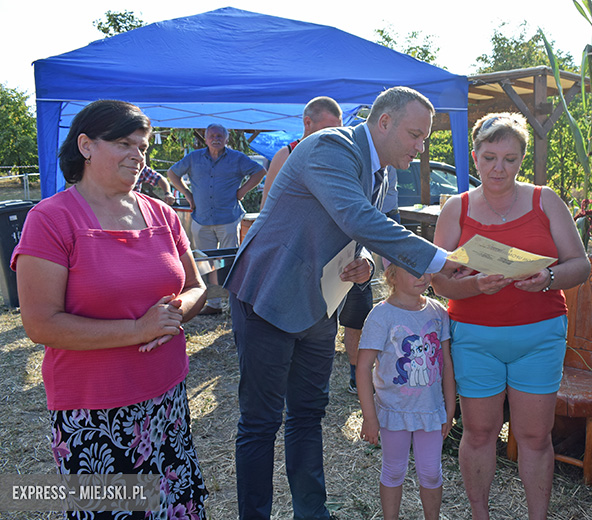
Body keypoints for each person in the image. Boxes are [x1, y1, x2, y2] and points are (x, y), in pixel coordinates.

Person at [223, 86, 461, 520]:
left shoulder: (380, 172)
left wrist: (365, 261)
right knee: (260, 422)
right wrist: (442, 260)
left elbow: (358, 231)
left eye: (424, 138)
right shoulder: (331, 146)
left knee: (307, 413)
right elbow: (356, 216)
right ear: (384, 122)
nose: (420, 147)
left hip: (317, 304)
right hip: (269, 295)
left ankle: (311, 512)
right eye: (415, 135)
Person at [12, 99, 209, 519]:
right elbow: (40, 324)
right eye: (124, 143)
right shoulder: (51, 220)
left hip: (167, 400)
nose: (138, 156)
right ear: (85, 145)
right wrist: (138, 329)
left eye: (143, 147)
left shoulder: (162, 214)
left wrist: (173, 315)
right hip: (95, 410)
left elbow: (196, 287)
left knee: (174, 507)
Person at [431, 112, 590, 520]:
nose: (498, 168)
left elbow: (580, 266)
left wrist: (548, 278)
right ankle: (479, 514)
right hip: (474, 336)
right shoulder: (456, 208)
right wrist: (474, 286)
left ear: (522, 159)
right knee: (479, 432)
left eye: (510, 159)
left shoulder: (545, 200)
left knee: (535, 436)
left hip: (538, 336)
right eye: (489, 158)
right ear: (475, 156)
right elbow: (440, 282)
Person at [258, 96, 371, 395]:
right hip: (291, 263)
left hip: (330, 268)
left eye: (339, 129)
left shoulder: (342, 157)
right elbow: (268, 211)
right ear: (307, 123)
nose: (334, 136)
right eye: (327, 129)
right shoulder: (287, 154)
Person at [356, 258, 456, 520]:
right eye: (412, 270)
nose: (421, 276)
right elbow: (363, 367)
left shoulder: (438, 312)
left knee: (431, 473)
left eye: (424, 269)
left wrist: (450, 407)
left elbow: (446, 363)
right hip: (394, 411)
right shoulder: (381, 315)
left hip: (430, 412)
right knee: (393, 470)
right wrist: (369, 417)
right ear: (392, 276)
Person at [168, 123, 266, 315]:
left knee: (230, 261)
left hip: (228, 218)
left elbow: (260, 171)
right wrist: (187, 194)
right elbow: (172, 173)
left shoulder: (237, 158)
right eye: (212, 136)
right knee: (205, 263)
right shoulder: (194, 157)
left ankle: (233, 303)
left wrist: (242, 191)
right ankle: (213, 304)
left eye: (220, 136)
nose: (216, 139)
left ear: (226, 139)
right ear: (205, 139)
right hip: (201, 218)